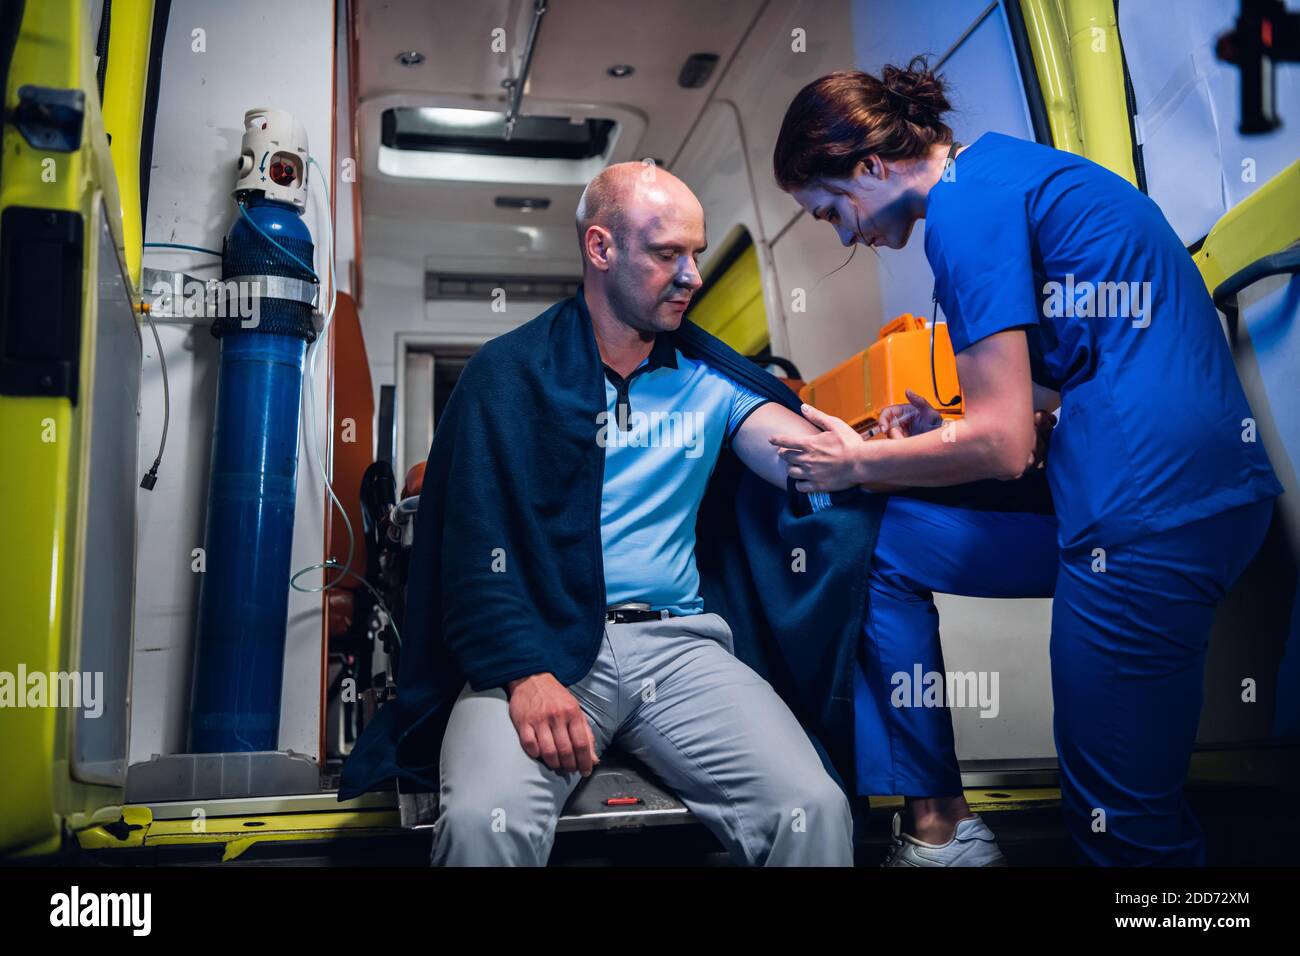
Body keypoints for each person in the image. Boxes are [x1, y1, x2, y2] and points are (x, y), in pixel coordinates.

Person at [769, 59, 1282, 866]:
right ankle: (941, 827)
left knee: (1120, 824)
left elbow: (1005, 446)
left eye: (832, 210)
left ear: (869, 165)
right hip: (1188, 493)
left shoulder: (963, 213)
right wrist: (938, 428)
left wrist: (858, 462)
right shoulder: (1006, 173)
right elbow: (1074, 378)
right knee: (879, 547)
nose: (845, 234)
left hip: (1148, 514)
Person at [393, 162, 863, 866]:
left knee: (813, 808)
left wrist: (875, 448)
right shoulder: (507, 374)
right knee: (483, 823)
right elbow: (471, 549)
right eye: (669, 253)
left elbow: (799, 455)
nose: (693, 275)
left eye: (698, 252)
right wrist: (524, 673)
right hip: (541, 648)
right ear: (600, 248)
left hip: (678, 650)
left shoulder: (710, 377)